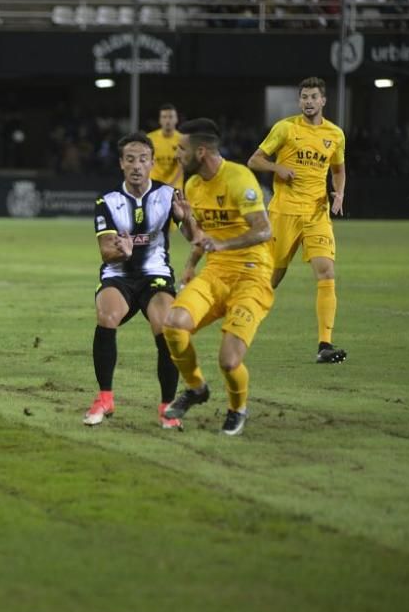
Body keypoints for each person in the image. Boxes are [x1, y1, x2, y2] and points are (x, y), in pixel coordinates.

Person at [162, 118, 273, 436]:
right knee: (174, 323)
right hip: (215, 273)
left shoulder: (239, 178)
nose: (177, 156)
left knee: (228, 360)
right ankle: (196, 388)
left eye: (181, 150)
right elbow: (199, 236)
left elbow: (264, 230)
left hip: (252, 276)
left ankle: (238, 408)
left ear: (200, 151)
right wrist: (185, 226)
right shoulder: (194, 186)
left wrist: (222, 244)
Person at [84, 131, 190, 430]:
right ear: (121, 163)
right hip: (119, 275)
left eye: (143, 159)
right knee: (107, 315)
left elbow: (195, 238)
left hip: (155, 275)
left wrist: (188, 219)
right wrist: (122, 252)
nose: (136, 165)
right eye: (130, 159)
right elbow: (106, 252)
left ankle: (167, 407)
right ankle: (105, 398)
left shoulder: (169, 195)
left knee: (166, 326)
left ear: (152, 163)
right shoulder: (107, 201)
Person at [247, 76, 347, 364]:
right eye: (304, 97)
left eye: (313, 97)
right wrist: (277, 167)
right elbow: (254, 160)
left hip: (317, 213)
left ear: (323, 101)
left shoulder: (335, 134)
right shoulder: (286, 129)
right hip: (284, 213)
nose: (308, 102)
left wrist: (339, 194)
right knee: (272, 278)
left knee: (326, 272)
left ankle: (324, 345)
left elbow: (338, 169)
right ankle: (240, 324)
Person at [147, 103, 183, 189]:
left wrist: (171, 185)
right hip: (153, 187)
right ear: (160, 120)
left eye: (170, 117)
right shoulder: (150, 139)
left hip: (175, 188)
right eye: (164, 117)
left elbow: (183, 166)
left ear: (176, 119)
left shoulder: (182, 140)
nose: (167, 120)